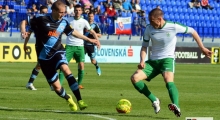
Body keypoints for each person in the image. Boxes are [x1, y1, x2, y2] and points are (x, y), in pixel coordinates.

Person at [130, 8, 212, 117]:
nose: (150, 23)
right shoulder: (149, 29)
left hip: (167, 59)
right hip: (153, 61)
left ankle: (176, 105)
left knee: (168, 80)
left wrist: (202, 48)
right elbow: (144, 46)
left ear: (159, 19)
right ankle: (155, 100)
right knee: (135, 78)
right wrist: (142, 60)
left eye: (152, 21)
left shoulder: (173, 26)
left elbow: (193, 31)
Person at [24, 1, 99, 111]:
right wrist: (23, 32)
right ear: (53, 11)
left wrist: (89, 39)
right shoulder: (41, 19)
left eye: (64, 12)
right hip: (44, 58)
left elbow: (73, 32)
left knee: (66, 69)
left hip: (58, 52)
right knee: (57, 88)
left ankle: (80, 100)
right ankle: (68, 98)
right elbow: (24, 22)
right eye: (61, 12)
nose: (63, 14)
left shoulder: (63, 22)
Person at [59, 4, 100, 89]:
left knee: (81, 65)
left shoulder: (84, 21)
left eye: (79, 10)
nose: (77, 12)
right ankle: (58, 85)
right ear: (74, 11)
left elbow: (93, 32)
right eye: (76, 10)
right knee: (63, 65)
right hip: (69, 46)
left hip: (80, 46)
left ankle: (78, 84)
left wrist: (98, 42)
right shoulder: (68, 20)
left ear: (81, 11)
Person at [20, 5, 48, 90]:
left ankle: (30, 83)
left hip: (50, 46)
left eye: (46, 13)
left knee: (44, 64)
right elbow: (24, 23)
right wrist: (23, 33)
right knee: (41, 64)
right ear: (40, 12)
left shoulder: (49, 20)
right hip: (40, 45)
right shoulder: (37, 21)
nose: (44, 15)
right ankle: (30, 83)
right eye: (43, 13)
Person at [84, 11, 102, 76]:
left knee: (93, 61)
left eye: (91, 16)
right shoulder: (84, 24)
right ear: (87, 17)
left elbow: (100, 35)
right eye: (89, 16)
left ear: (93, 17)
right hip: (83, 44)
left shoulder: (95, 25)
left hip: (91, 45)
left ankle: (97, 66)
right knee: (81, 60)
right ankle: (80, 73)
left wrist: (94, 33)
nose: (90, 18)